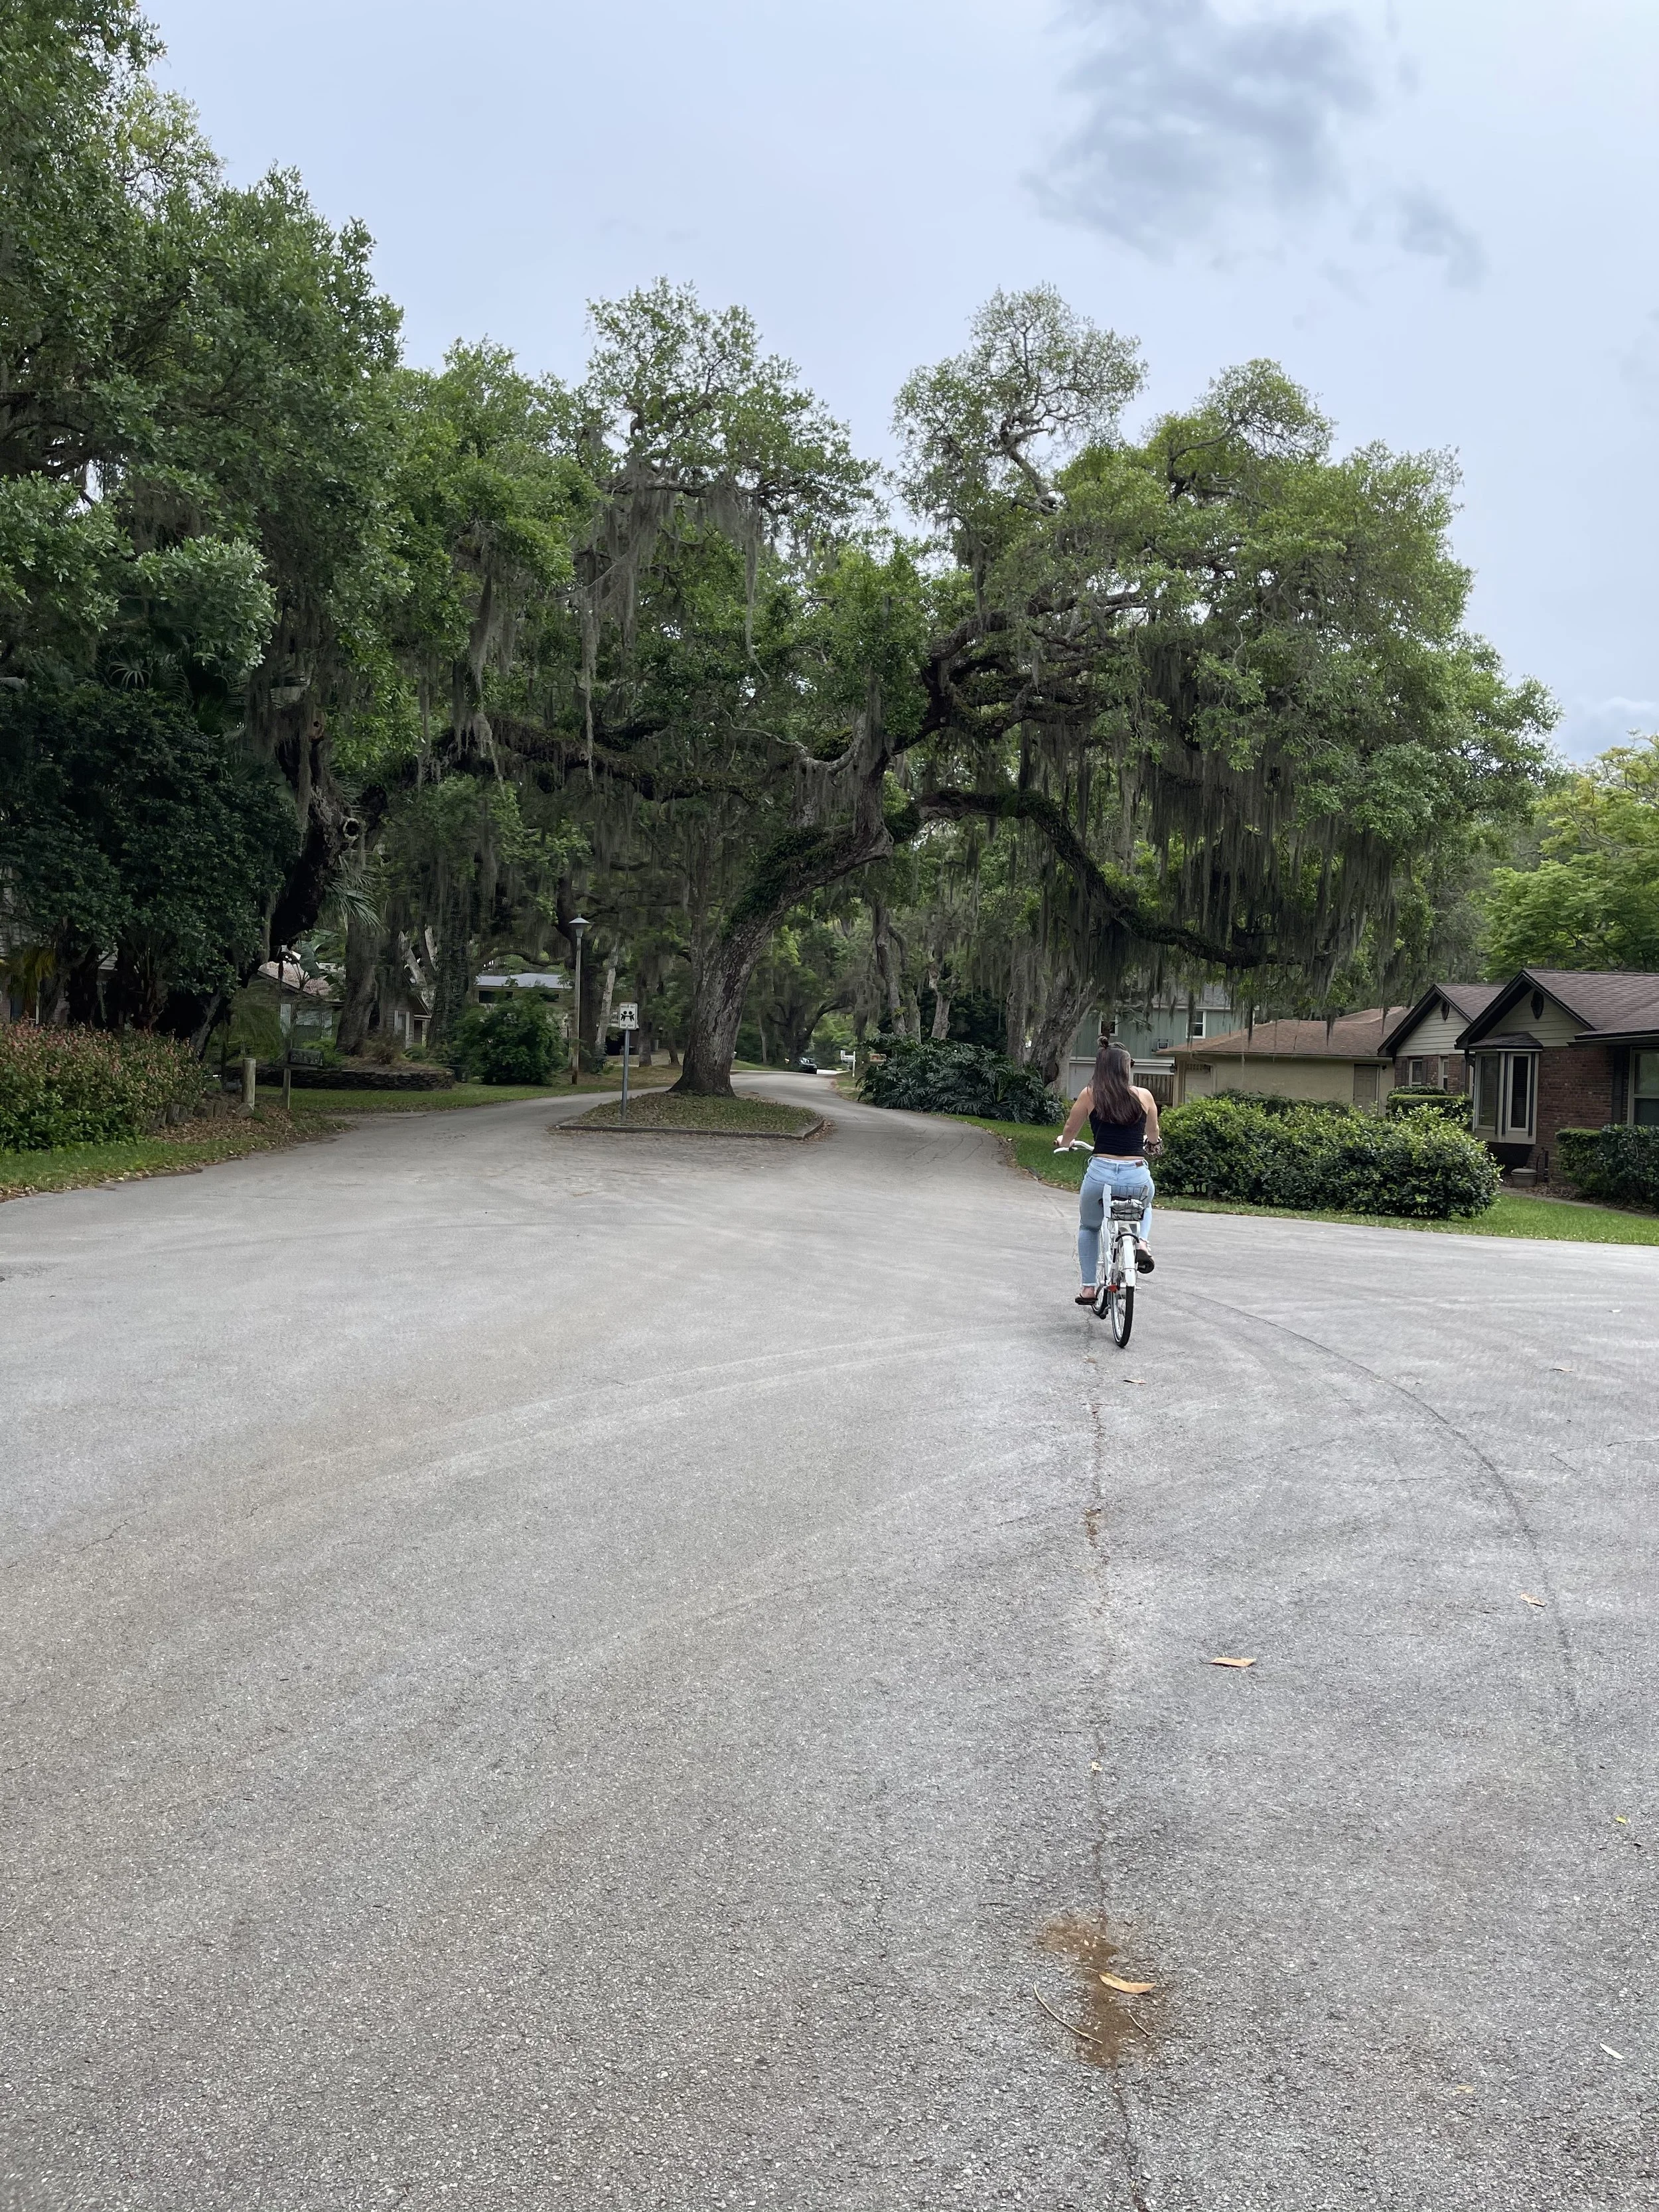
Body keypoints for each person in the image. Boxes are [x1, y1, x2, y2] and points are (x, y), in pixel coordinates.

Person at [1054, 1039, 1159, 1305]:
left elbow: (1070, 1127)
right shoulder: (1144, 1096)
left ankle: (1089, 1288)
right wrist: (1153, 1145)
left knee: (1089, 1227)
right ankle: (1142, 1243)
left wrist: (1064, 1143)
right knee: (1145, 1205)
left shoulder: (1090, 1094)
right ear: (1126, 1068)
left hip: (1100, 1173)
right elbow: (1154, 1135)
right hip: (1136, 1173)